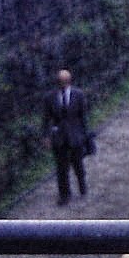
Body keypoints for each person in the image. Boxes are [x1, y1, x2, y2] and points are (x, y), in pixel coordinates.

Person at [44, 69, 90, 206]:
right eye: (60, 81)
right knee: (61, 167)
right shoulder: (50, 97)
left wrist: (85, 135)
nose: (62, 84)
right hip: (59, 136)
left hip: (75, 135)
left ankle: (82, 185)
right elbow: (46, 118)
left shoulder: (78, 95)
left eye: (65, 81)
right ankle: (64, 194)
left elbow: (83, 117)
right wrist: (46, 136)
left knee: (78, 164)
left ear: (69, 81)